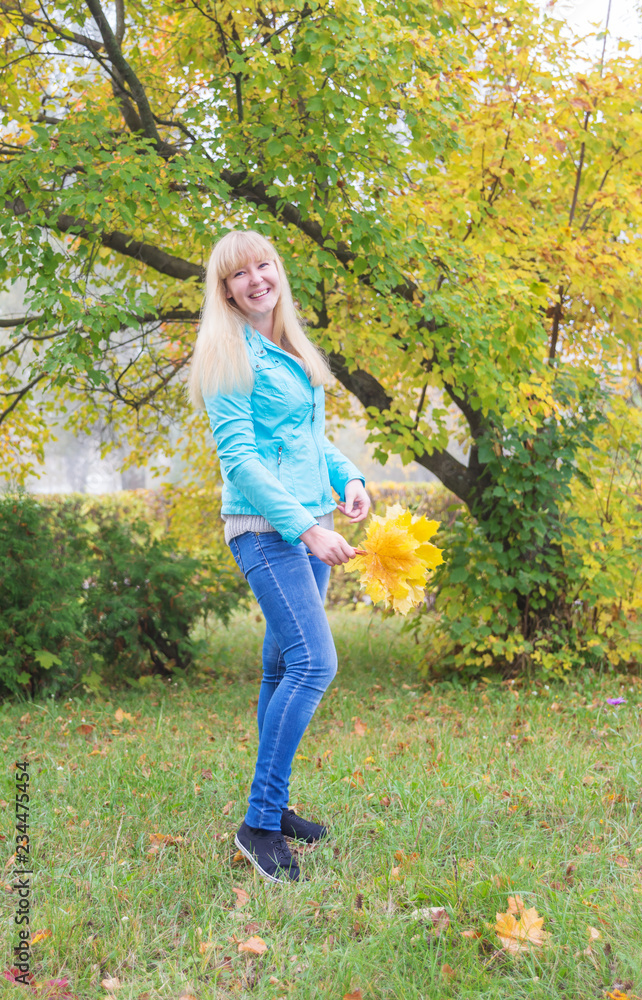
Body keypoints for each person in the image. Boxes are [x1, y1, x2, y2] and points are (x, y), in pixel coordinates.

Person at [188, 229, 371, 883]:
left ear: (277, 272)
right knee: (315, 664)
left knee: (280, 667)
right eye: (241, 273)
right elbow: (238, 459)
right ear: (226, 288)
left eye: (265, 265)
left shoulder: (285, 343)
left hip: (308, 523)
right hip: (267, 533)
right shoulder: (226, 353)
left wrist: (347, 479)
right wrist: (304, 530)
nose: (257, 279)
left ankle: (276, 803)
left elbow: (308, 438)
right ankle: (259, 825)